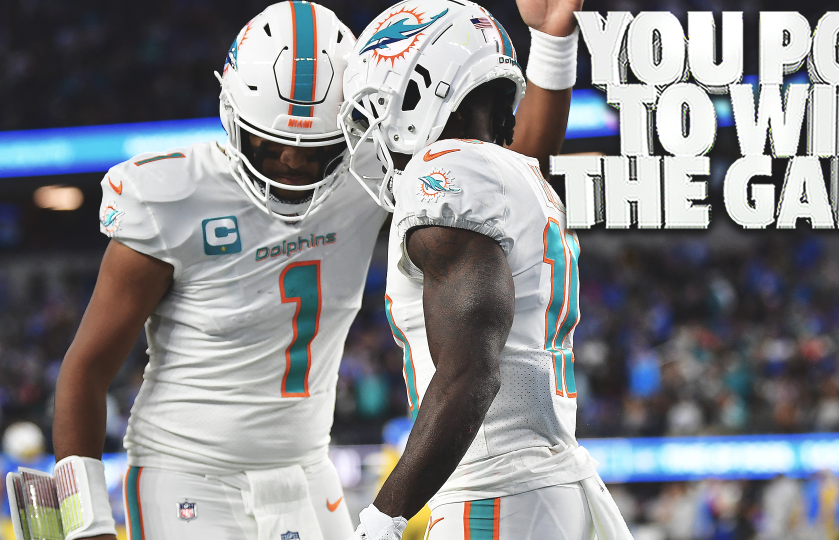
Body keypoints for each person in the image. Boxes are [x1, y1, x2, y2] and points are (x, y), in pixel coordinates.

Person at [51, 1, 582, 539]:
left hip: (308, 470)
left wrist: (554, 40)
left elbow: (509, 173)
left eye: (317, 151)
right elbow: (86, 368)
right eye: (272, 145)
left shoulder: (366, 171)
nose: (293, 165)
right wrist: (84, 522)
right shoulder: (171, 198)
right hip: (188, 474)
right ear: (232, 115)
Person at [338, 1, 632, 538]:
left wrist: (378, 523)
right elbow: (531, 154)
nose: (375, 129)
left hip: (493, 498)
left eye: (381, 104)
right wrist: (551, 41)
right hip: (545, 490)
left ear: (424, 88)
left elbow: (472, 372)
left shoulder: (444, 174)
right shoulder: (505, 174)